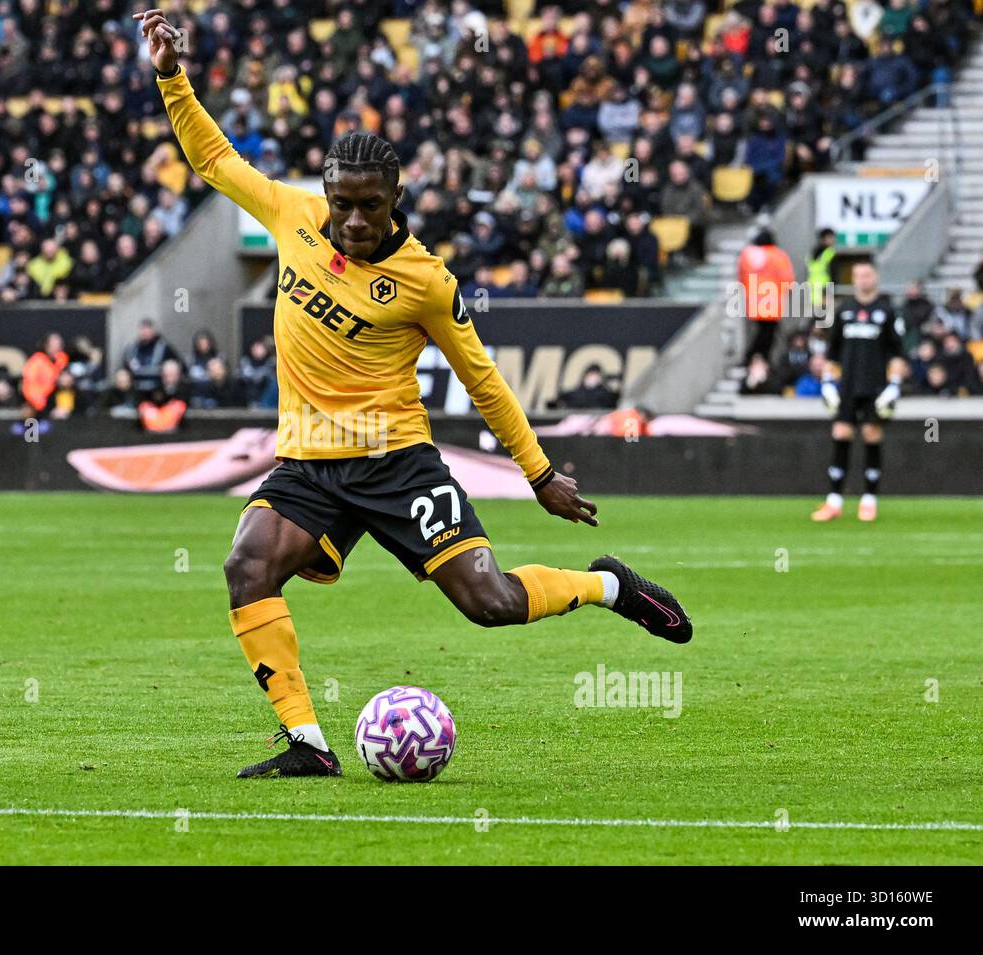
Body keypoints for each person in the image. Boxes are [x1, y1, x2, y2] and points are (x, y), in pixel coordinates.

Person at [137, 8, 693, 780]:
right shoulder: (293, 214)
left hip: (397, 461)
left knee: (489, 602)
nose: (355, 220)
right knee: (247, 564)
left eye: (371, 204)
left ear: (396, 193)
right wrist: (171, 75)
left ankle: (607, 584)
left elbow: (483, 379)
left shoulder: (426, 282)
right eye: (343, 203)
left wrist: (538, 474)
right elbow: (213, 159)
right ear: (325, 193)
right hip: (309, 463)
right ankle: (307, 743)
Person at [812, 263, 905, 523]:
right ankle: (834, 501)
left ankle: (869, 500)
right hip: (848, 385)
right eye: (858, 275)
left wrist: (894, 386)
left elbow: (897, 354)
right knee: (841, 432)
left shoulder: (887, 312)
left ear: (875, 277)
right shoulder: (845, 311)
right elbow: (832, 354)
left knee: (871, 433)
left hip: (875, 385)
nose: (862, 279)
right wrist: (828, 383)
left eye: (867, 275)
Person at [737, 228, 795, 365]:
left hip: (754, 301)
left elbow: (742, 277)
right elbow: (787, 278)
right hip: (772, 302)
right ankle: (756, 358)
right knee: (767, 334)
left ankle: (756, 359)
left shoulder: (748, 255)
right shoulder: (777, 255)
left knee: (763, 331)